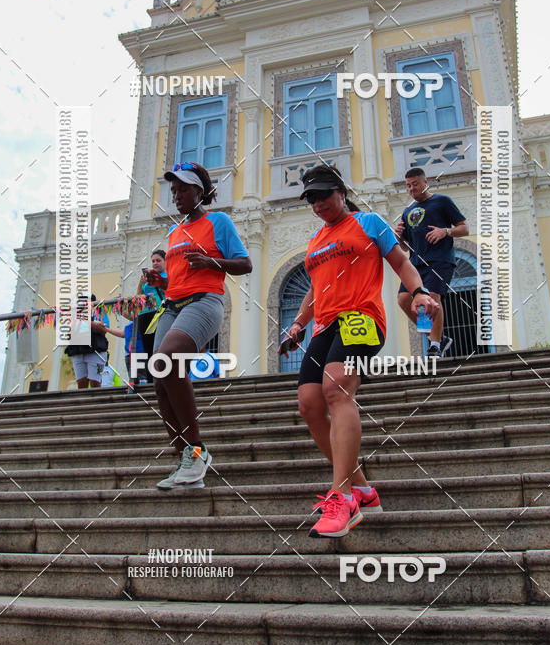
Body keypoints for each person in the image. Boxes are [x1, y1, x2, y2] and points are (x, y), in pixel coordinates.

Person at [285, 165, 439, 538]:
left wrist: (419, 292)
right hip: (324, 325)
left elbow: (401, 262)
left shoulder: (368, 223)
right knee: (309, 403)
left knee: (336, 387)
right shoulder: (316, 240)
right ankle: (364, 491)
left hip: (361, 319)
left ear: (341, 192)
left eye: (324, 195)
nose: (318, 204)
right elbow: (315, 289)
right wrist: (298, 323)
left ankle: (343, 497)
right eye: (311, 198)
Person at [144, 161, 252, 490]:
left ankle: (196, 451)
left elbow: (245, 263)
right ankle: (186, 460)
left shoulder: (217, 221)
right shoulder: (174, 233)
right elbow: (176, 281)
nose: (176, 196)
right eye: (173, 191)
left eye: (183, 190)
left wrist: (211, 262)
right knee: (158, 377)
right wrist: (159, 281)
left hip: (204, 302)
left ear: (199, 191)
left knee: (168, 360)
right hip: (172, 306)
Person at [394, 168, 468, 358]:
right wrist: (399, 236)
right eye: (408, 186)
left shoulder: (442, 201)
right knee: (404, 299)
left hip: (439, 260)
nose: (412, 189)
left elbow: (464, 228)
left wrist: (445, 231)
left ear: (425, 182)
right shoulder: (407, 211)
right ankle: (437, 337)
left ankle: (434, 345)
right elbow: (404, 247)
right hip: (415, 264)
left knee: (433, 298)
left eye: (415, 184)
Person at [134, 249, 167, 382]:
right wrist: (141, 283)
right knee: (148, 348)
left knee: (160, 346)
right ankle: (151, 379)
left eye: (158, 260)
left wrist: (157, 280)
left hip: (160, 312)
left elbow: (169, 291)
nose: (155, 263)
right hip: (145, 313)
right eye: (153, 261)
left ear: (165, 261)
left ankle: (164, 376)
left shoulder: (167, 275)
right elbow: (138, 297)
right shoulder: (147, 278)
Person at [65, 294, 110, 389]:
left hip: (96, 351)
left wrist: (87, 321)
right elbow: (68, 336)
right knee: (81, 382)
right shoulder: (73, 315)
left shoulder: (99, 312)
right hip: (78, 350)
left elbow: (104, 330)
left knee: (95, 382)